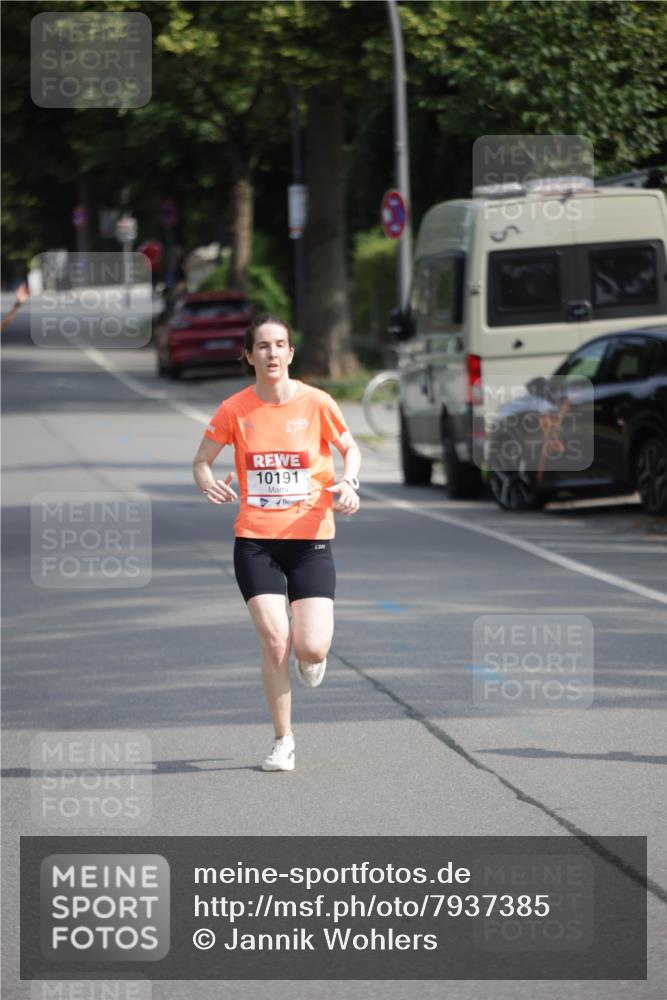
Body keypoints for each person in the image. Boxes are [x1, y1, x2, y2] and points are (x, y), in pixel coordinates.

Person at [192, 313, 361, 772]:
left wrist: (351, 483)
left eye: (279, 345)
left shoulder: (317, 402)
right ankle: (283, 740)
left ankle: (313, 658)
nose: (271, 353)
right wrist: (208, 482)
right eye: (261, 346)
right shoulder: (234, 409)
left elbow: (351, 448)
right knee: (275, 640)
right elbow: (202, 460)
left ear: (290, 353)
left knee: (310, 648)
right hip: (255, 542)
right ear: (249, 355)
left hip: (310, 539)